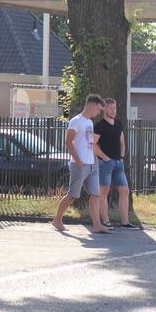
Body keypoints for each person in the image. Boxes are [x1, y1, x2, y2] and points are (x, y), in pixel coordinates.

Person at [52, 94, 108, 233]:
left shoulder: (89, 123)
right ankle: (57, 220)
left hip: (92, 164)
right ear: (91, 105)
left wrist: (98, 157)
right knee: (72, 195)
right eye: (98, 109)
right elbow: (68, 142)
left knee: (95, 194)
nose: (99, 113)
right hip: (80, 165)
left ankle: (97, 225)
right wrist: (78, 160)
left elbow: (90, 142)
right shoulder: (76, 121)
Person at [93, 98, 138, 229]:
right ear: (104, 109)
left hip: (118, 163)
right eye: (111, 108)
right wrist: (104, 157)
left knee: (125, 191)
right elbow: (93, 144)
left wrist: (121, 157)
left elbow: (122, 142)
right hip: (105, 163)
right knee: (104, 191)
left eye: (115, 108)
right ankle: (105, 221)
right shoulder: (99, 125)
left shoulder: (118, 124)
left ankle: (125, 222)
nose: (113, 111)